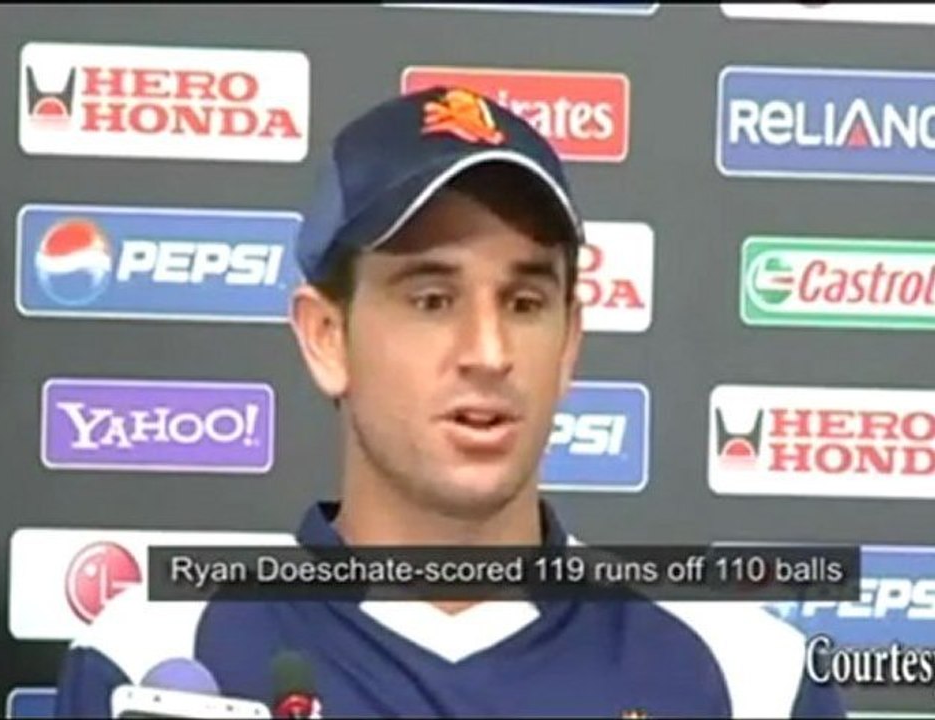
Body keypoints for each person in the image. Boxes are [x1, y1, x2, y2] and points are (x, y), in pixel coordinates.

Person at [54, 86, 846, 718]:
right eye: (431, 298)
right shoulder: (155, 663)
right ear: (327, 337)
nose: (490, 352)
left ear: (570, 341)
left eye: (525, 303)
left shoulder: (750, 683)